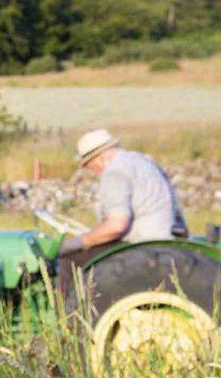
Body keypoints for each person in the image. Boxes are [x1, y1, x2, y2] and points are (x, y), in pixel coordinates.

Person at [57, 128, 187, 299]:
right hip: (167, 238)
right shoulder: (144, 162)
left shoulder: (115, 171)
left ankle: (66, 318)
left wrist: (79, 242)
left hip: (142, 244)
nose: (92, 171)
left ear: (100, 158)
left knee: (70, 259)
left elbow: (117, 225)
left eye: (89, 165)